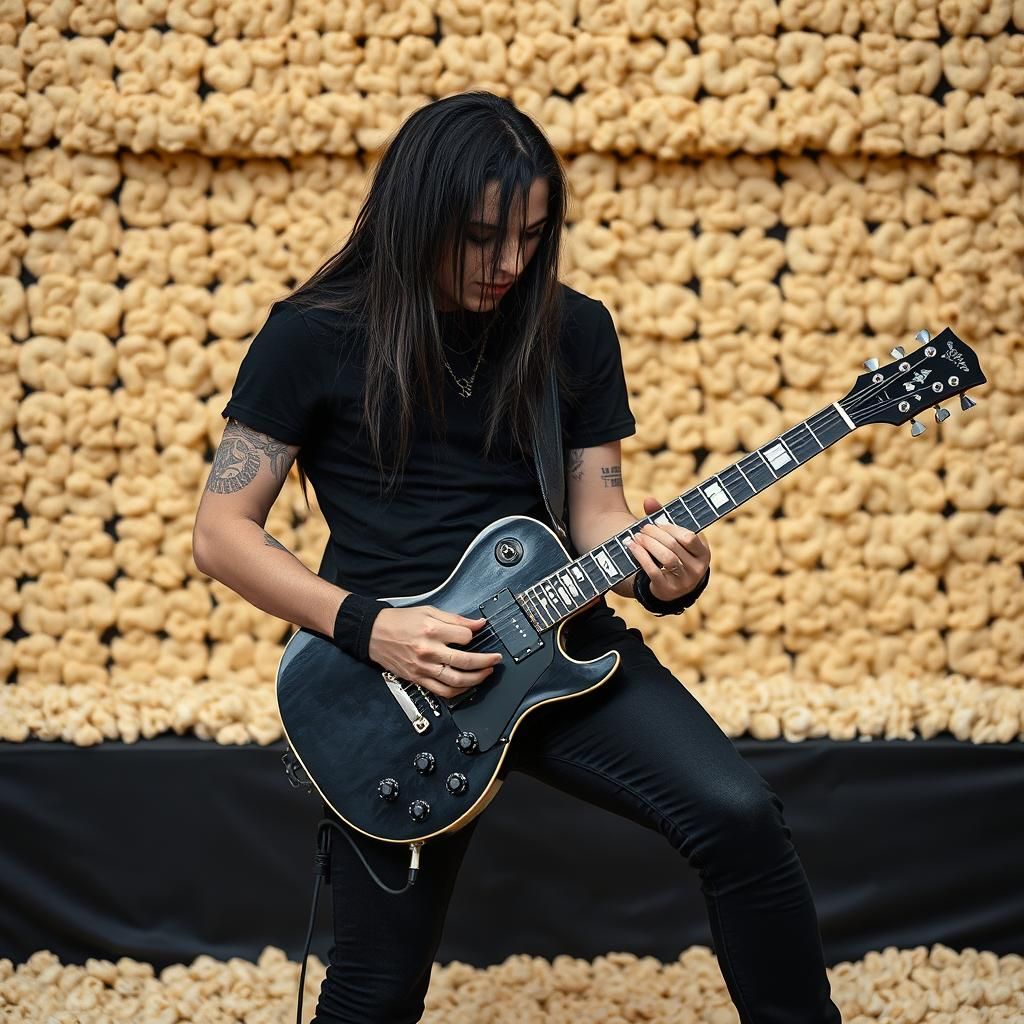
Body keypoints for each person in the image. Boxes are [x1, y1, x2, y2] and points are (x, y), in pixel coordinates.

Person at [193, 91, 842, 1024]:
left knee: (741, 820)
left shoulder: (574, 330)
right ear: (416, 217)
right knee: (376, 990)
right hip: (396, 686)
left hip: (562, 644)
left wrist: (665, 572)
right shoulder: (313, 332)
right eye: (480, 238)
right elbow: (221, 533)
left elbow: (599, 516)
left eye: (532, 238)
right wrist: (374, 629)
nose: (508, 265)